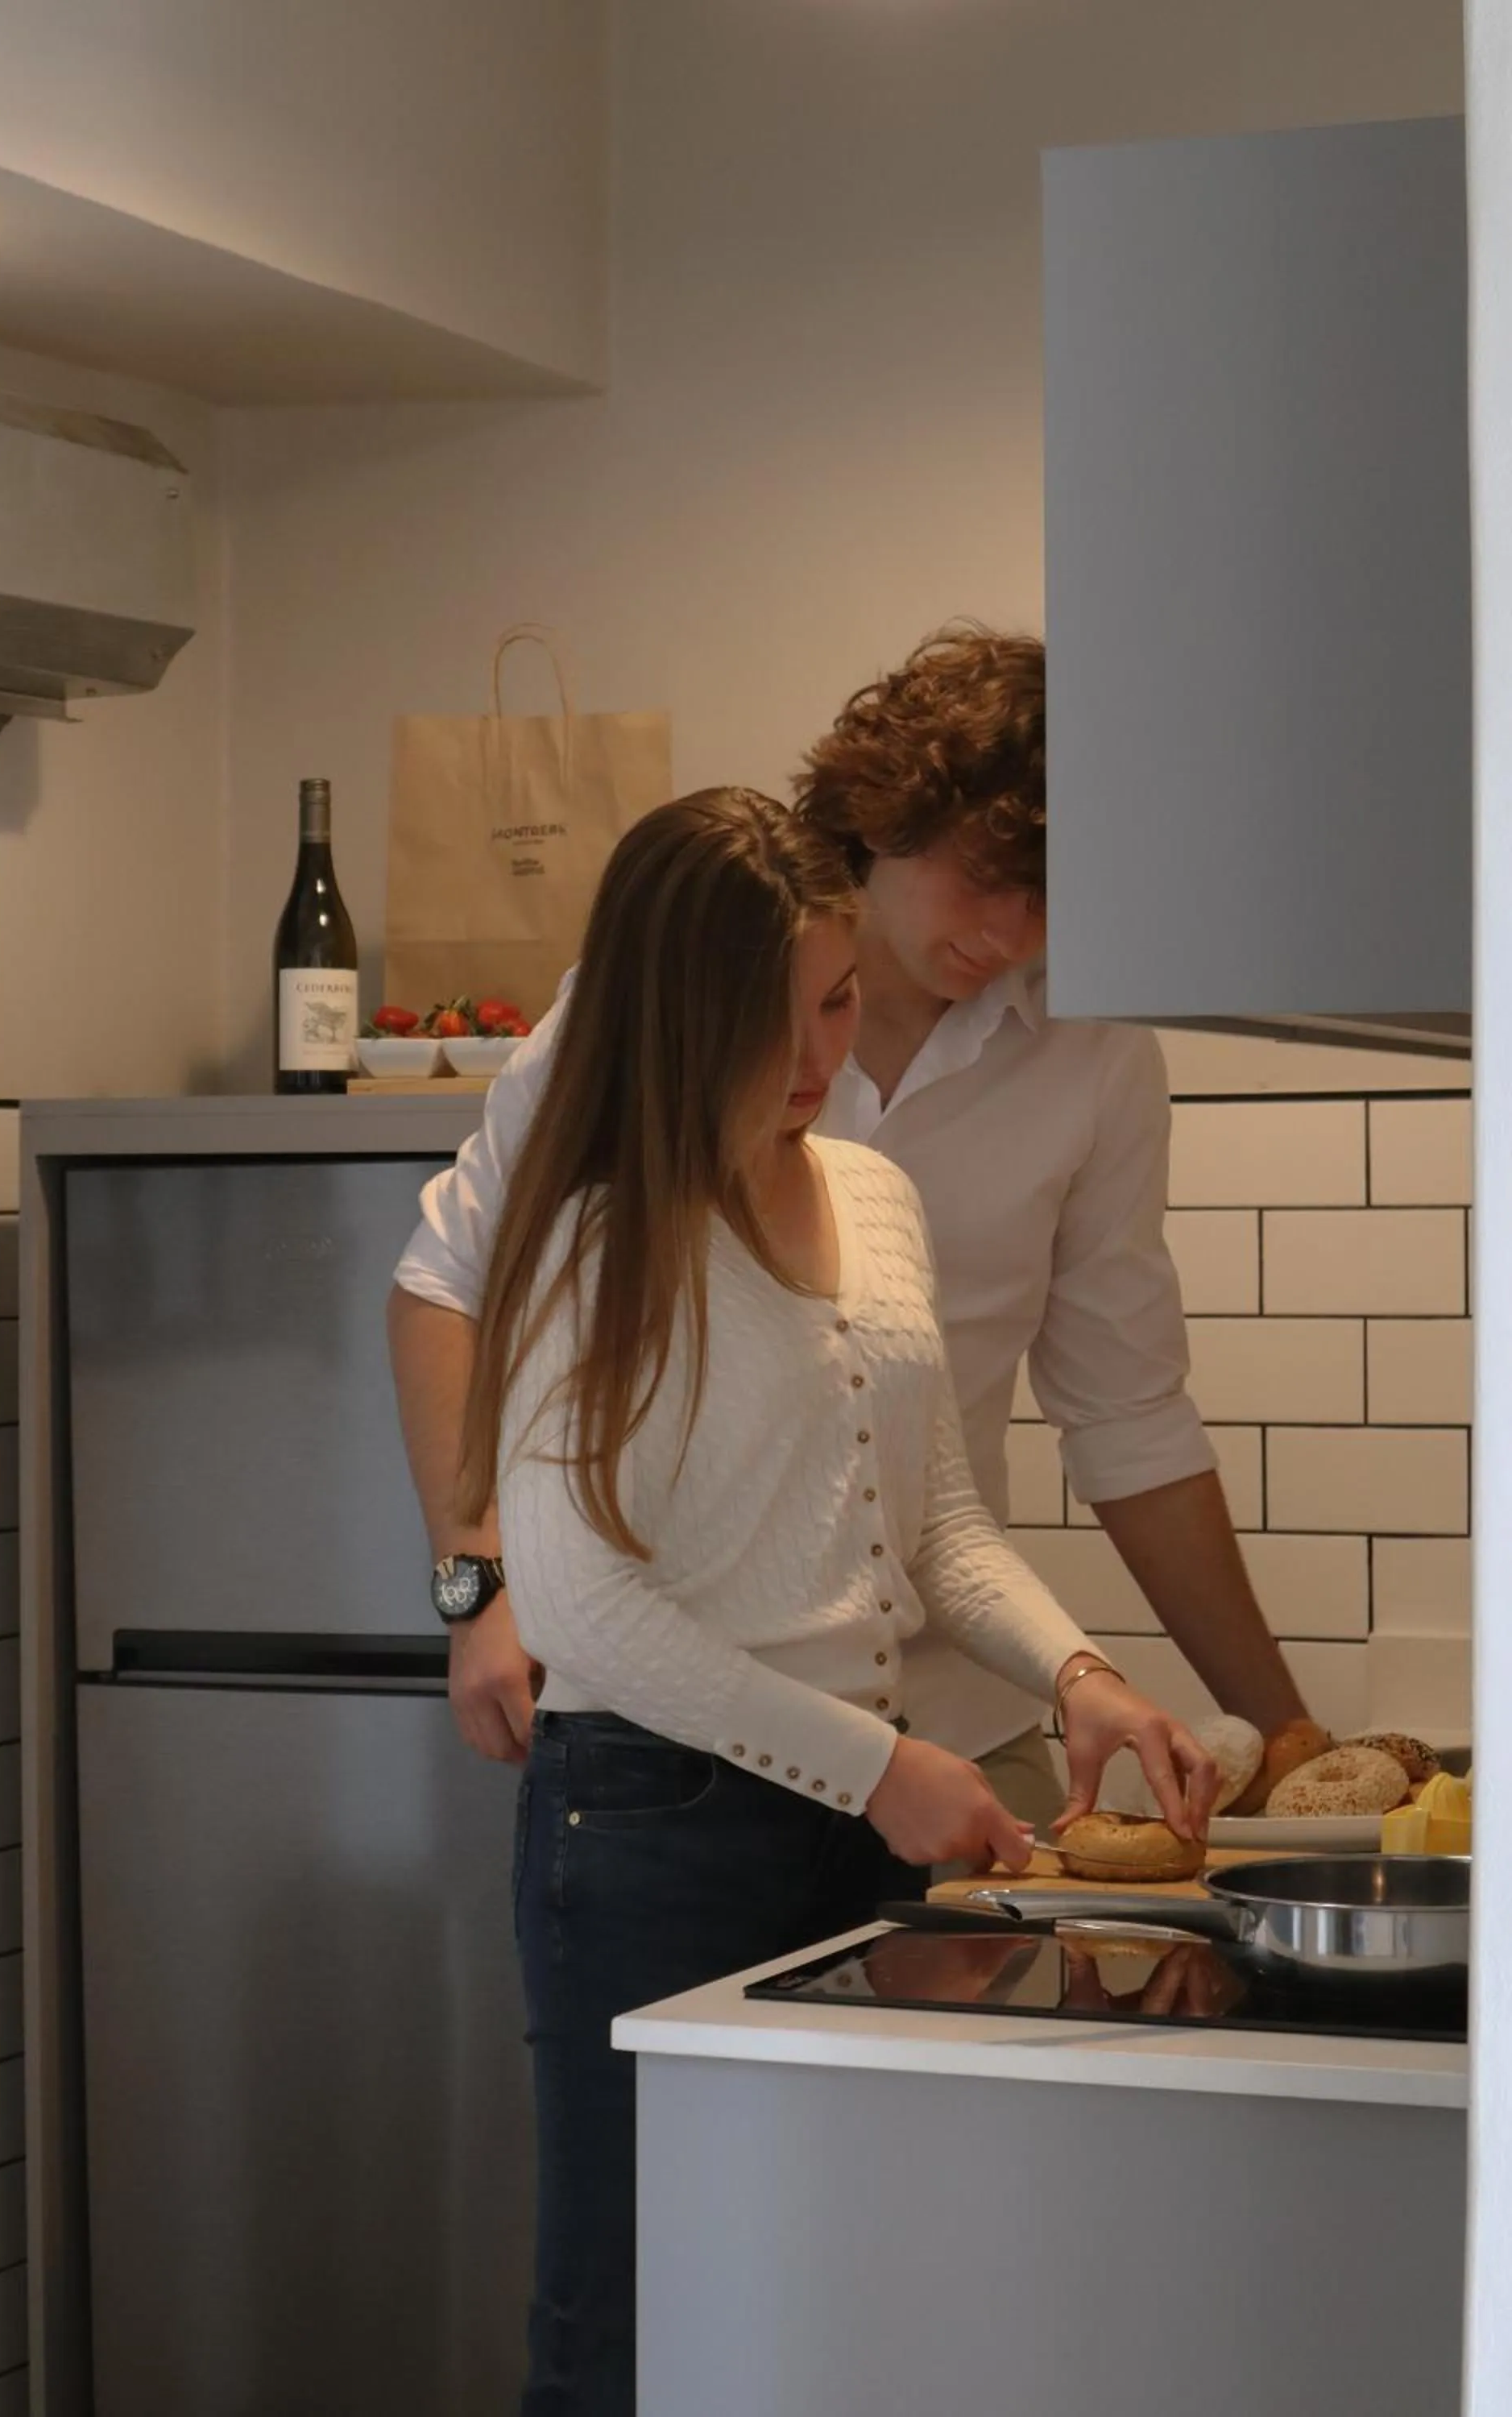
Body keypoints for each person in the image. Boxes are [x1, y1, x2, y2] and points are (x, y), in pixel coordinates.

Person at [401, 787, 1214, 2417]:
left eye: (836, 1001)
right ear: (662, 1008)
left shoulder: (875, 1198)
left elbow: (937, 1523)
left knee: (844, 2319)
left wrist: (1078, 1678)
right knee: (630, 2331)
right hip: (651, 1836)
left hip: (859, 1830)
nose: (813, 1055)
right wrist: (886, 1769)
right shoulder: (592, 1235)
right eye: (764, 1018)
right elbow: (587, 1610)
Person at [390, 627, 1311, 1829]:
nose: (1017, 935)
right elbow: (449, 1286)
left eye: (1056, 900)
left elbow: (1123, 1420)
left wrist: (1287, 1745)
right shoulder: (651, 1015)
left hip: (962, 1719)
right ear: (882, 819)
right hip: (684, 1742)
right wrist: (483, 1589)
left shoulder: (1093, 1062)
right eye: (991, 879)